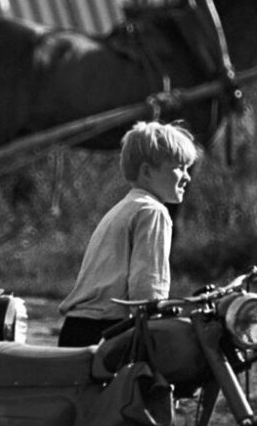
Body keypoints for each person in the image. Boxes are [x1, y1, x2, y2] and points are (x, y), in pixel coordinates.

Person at [58, 120, 200, 347]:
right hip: (107, 329)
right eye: (179, 168)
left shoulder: (124, 208)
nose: (187, 176)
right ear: (147, 171)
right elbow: (147, 285)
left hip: (78, 326)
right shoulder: (153, 211)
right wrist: (155, 323)